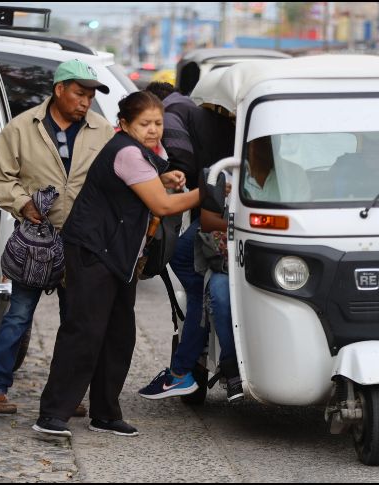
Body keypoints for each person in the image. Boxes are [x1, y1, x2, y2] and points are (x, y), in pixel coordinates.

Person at [32, 91, 199, 438]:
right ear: (124, 124)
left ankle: (105, 414)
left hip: (119, 257)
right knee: (84, 334)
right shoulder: (126, 150)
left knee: (119, 336)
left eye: (158, 123)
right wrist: (209, 192)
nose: (153, 130)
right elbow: (163, 207)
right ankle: (52, 415)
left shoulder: (139, 152)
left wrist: (164, 179)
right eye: (145, 124)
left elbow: (138, 186)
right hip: (94, 253)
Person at [0, 59, 114, 416]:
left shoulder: (103, 131)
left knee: (75, 323)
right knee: (18, 315)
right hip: (35, 242)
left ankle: (66, 396)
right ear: (59, 90)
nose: (86, 102)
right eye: (79, 93)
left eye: (90, 96)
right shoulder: (22, 127)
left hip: (81, 244)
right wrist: (23, 204)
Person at [137, 82, 237, 401]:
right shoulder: (193, 111)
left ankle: (192, 356)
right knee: (201, 279)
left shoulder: (173, 113)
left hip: (219, 202)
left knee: (185, 264)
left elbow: (182, 158)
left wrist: (168, 179)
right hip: (219, 200)